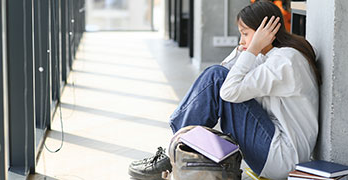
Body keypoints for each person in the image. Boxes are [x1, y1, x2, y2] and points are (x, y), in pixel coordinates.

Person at [128, 1, 320, 179]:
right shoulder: (269, 56)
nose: (242, 40)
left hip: (283, 158)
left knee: (217, 78)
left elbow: (226, 89)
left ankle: (172, 155)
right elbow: (224, 74)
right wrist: (245, 50)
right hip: (275, 148)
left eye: (245, 33)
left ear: (266, 32)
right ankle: (175, 152)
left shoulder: (285, 61)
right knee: (217, 76)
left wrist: (252, 49)